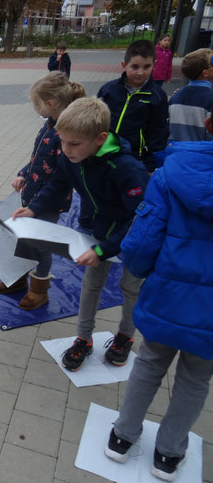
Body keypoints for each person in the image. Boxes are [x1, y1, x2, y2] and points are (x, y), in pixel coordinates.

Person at [104, 122, 213, 482]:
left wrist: (137, 269)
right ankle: (168, 454)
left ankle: (122, 437)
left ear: (209, 124)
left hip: (168, 294)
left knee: (149, 364)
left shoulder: (172, 174)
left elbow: (142, 239)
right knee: (196, 380)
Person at [12, 97, 150, 371]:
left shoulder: (127, 169)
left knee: (131, 289)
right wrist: (34, 209)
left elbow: (140, 218)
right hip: (95, 229)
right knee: (91, 286)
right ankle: (83, 339)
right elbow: (58, 184)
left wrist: (103, 251)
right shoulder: (72, 157)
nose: (66, 150)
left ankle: (125, 335)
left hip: (134, 238)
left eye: (74, 144)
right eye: (63, 142)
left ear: (99, 138)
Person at [0, 71, 85, 310]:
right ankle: (18, 279)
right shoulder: (48, 126)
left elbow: (60, 177)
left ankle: (39, 290)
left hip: (48, 202)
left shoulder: (65, 133)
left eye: (35, 103)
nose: (34, 108)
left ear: (50, 103)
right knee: (24, 239)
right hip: (32, 197)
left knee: (41, 245)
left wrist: (35, 208)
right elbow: (37, 159)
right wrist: (23, 174)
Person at [97, 39, 168, 173]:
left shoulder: (157, 96)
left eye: (146, 67)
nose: (140, 72)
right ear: (124, 65)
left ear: (154, 65)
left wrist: (151, 164)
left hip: (135, 158)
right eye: (135, 67)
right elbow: (95, 119)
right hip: (104, 153)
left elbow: (159, 132)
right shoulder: (109, 89)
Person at [167, 48, 213, 143]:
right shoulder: (210, 98)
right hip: (200, 153)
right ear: (205, 73)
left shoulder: (175, 96)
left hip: (174, 150)